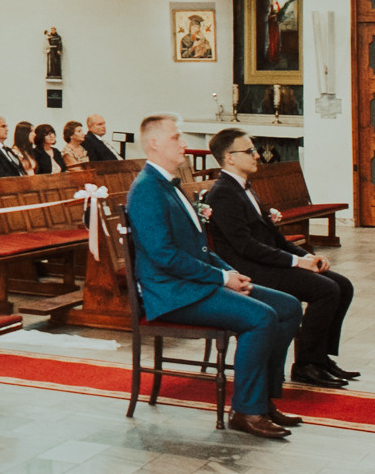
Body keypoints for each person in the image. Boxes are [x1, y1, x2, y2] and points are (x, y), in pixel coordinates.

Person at [124, 114, 301, 441]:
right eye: (176, 137)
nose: (184, 143)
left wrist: (229, 272)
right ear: (154, 143)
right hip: (173, 294)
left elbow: (198, 248)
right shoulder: (147, 189)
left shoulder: (169, 184)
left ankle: (263, 398)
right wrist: (221, 279)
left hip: (195, 283)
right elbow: (164, 256)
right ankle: (246, 410)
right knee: (261, 317)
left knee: (288, 307)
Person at [205, 128, 358, 388]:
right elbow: (246, 247)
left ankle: (320, 358)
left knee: (343, 285)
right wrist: (297, 263)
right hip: (250, 270)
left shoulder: (245, 189)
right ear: (229, 158)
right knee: (326, 290)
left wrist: (308, 256)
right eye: (250, 151)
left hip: (266, 261)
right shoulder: (222, 193)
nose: (257, 155)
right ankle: (306, 365)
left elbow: (274, 237)